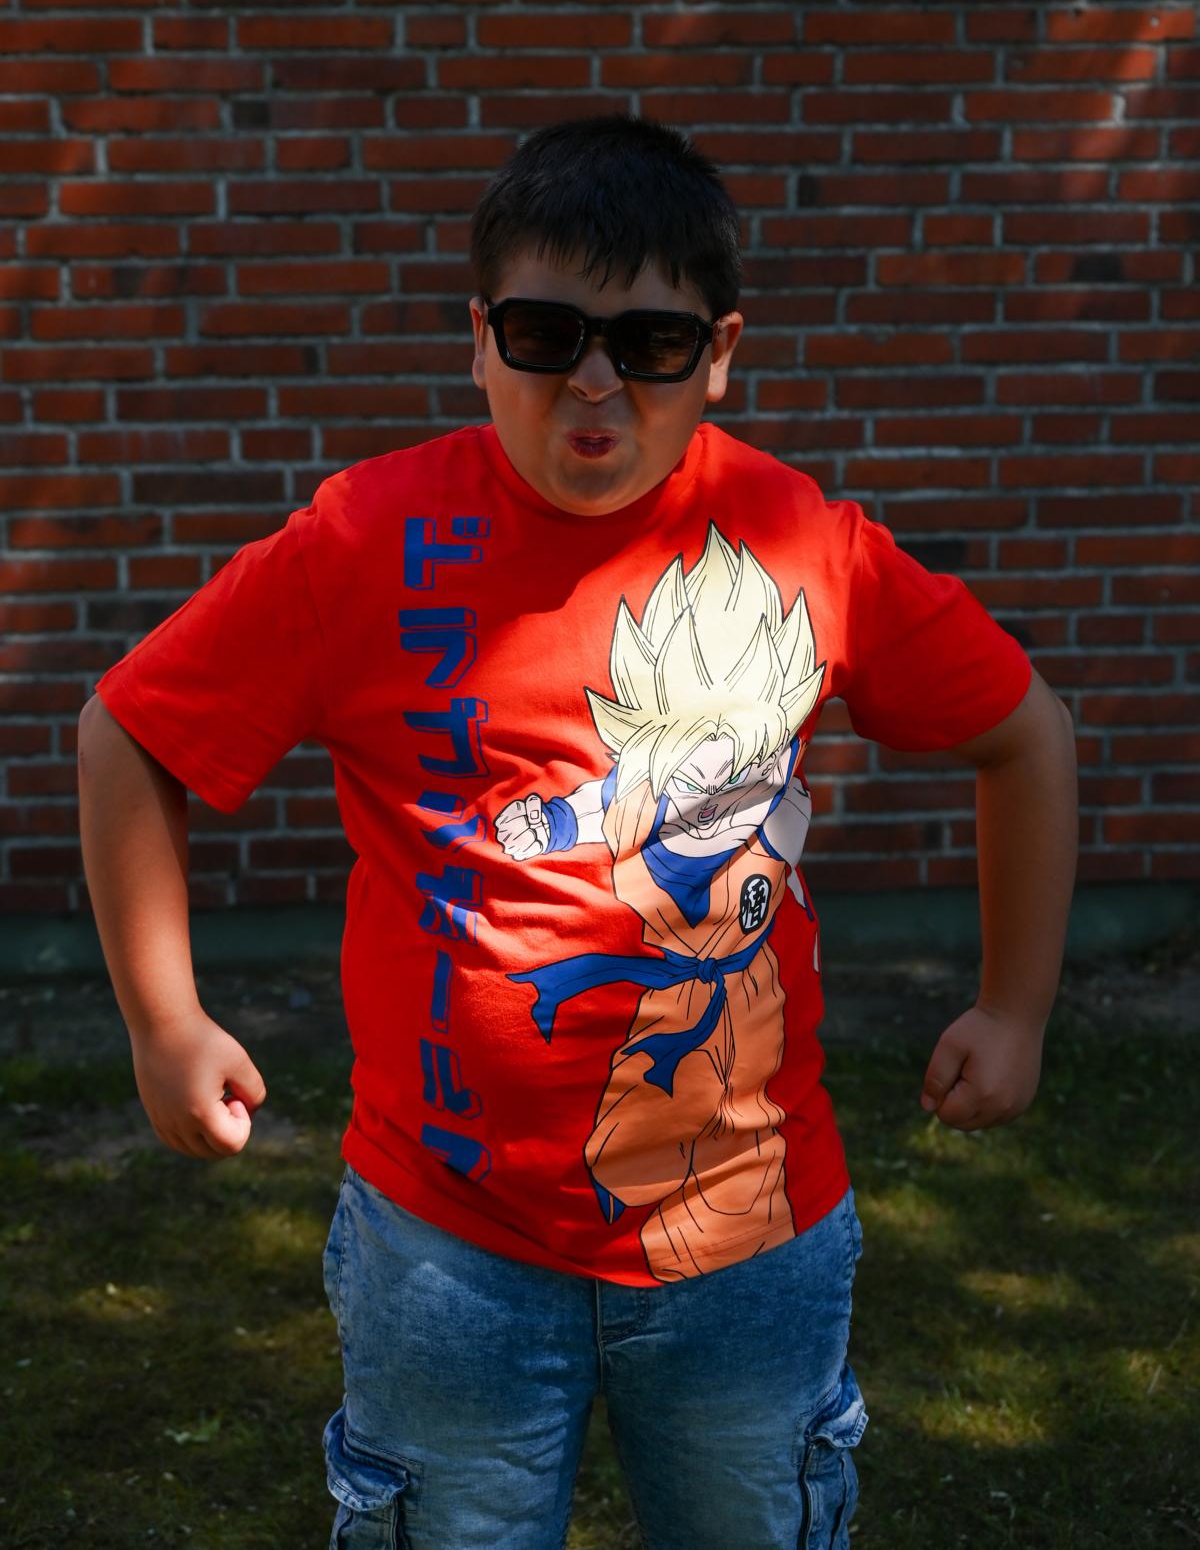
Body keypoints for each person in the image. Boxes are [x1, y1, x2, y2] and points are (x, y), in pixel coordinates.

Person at [77, 113, 1078, 1550]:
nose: (595, 383)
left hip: (748, 1240)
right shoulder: (365, 541)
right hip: (447, 1253)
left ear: (718, 354)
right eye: (547, 335)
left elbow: (1024, 732)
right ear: (480, 340)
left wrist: (1017, 1007)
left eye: (650, 344)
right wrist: (162, 1020)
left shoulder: (801, 544)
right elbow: (131, 731)